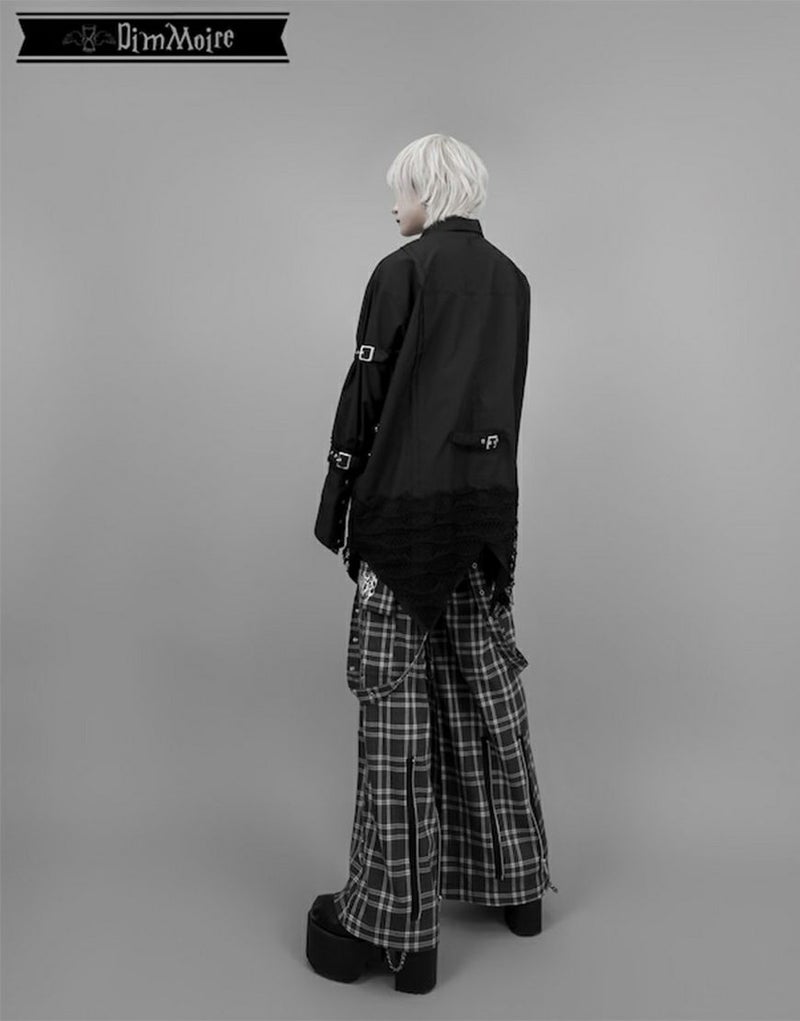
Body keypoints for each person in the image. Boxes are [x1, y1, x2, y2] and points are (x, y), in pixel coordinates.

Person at [306, 133, 558, 995]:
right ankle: (519, 886)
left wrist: (339, 495)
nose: (393, 205)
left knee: (394, 706)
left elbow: (367, 392)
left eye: (401, 189)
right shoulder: (514, 280)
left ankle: (395, 924)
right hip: (484, 509)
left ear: (428, 188)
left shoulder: (399, 271)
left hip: (406, 514)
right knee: (488, 684)